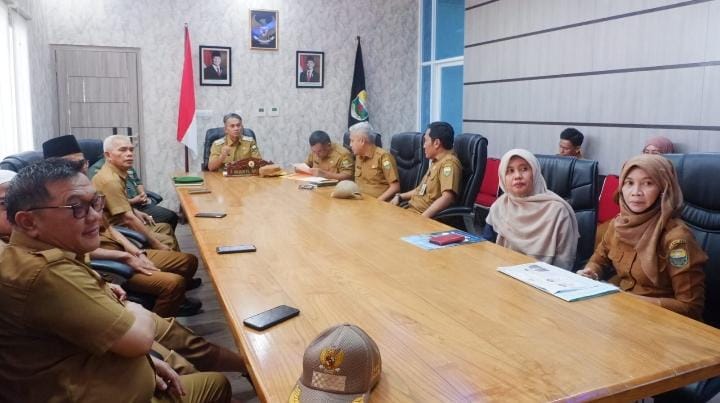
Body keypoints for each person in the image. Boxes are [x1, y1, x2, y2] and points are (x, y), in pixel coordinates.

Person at [0, 159, 236, 402]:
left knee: (187, 362)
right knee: (215, 384)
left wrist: (148, 361)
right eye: (76, 207)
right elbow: (139, 340)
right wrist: (134, 308)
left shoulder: (30, 254)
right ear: (28, 221)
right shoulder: (46, 273)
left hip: (104, 367)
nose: (95, 216)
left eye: (95, 203)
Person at [577, 154, 706, 319]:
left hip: (660, 321)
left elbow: (690, 306)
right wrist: (591, 272)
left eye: (648, 183)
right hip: (620, 313)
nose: (636, 192)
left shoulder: (677, 240)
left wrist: (627, 300)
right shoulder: (617, 225)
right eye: (629, 183)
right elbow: (598, 261)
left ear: (663, 189)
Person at [484, 149, 580, 270]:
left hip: (544, 277)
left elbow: (564, 262)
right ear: (503, 178)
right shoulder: (499, 206)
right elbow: (486, 247)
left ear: (535, 172)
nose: (517, 176)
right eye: (510, 171)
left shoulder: (559, 211)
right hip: (501, 272)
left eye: (524, 169)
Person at [92, 135, 179, 251]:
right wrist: (158, 245)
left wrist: (135, 211)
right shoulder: (110, 181)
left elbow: (119, 204)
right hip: (117, 232)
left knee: (165, 227)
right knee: (168, 242)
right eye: (123, 150)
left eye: (131, 149)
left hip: (123, 225)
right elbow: (128, 219)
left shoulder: (117, 171)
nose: (129, 154)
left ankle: (170, 258)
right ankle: (171, 258)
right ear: (108, 155)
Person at [391, 121, 462, 217]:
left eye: (426, 141)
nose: (424, 146)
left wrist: (422, 219)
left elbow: (447, 198)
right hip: (411, 210)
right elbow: (420, 190)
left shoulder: (449, 164)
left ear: (436, 143)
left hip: (420, 216)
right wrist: (399, 196)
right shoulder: (436, 161)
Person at [349, 121, 400, 201]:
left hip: (378, 203)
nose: (350, 144)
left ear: (362, 141)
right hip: (360, 201)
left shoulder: (383, 157)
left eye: (352, 141)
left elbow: (395, 187)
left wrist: (377, 202)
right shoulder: (358, 156)